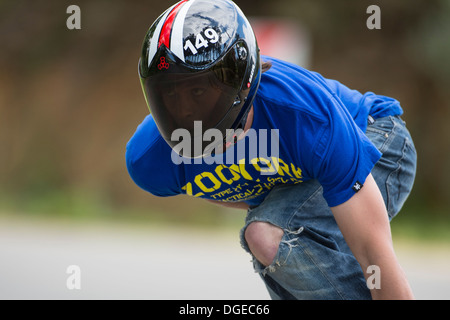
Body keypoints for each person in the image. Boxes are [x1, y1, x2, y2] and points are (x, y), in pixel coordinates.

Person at [126, 0, 417, 300]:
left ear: (240, 78)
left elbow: (374, 255)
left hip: (377, 137)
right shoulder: (150, 161)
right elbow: (229, 188)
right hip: (314, 165)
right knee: (272, 241)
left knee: (268, 234)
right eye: (170, 94)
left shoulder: (307, 120)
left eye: (199, 91)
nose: (187, 113)